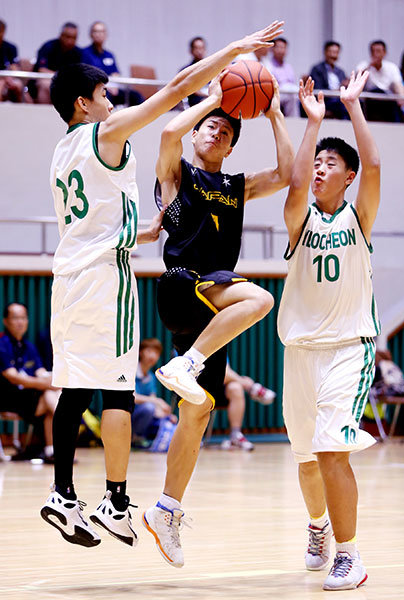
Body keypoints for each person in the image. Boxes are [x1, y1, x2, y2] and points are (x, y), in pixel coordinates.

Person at [39, 20, 285, 550]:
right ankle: (117, 500)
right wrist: (230, 57)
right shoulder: (103, 132)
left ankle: (66, 494)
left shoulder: (63, 151)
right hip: (108, 280)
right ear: (84, 103)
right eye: (104, 94)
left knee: (80, 385)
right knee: (120, 389)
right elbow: (172, 98)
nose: (112, 101)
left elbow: (96, 216)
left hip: (74, 272)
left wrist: (139, 230)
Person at [144, 50, 293, 567]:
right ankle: (184, 363)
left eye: (226, 132)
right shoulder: (177, 171)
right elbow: (165, 135)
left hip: (212, 308)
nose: (217, 134)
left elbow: (289, 172)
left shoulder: (237, 186)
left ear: (232, 146)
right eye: (210, 127)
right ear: (197, 131)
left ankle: (167, 509)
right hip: (185, 284)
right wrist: (213, 97)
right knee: (261, 297)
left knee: (199, 413)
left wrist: (273, 113)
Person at [277, 71, 381, 591]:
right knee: (306, 459)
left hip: (348, 347)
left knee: (332, 451)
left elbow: (375, 164)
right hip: (299, 351)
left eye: (330, 164)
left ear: (348, 177)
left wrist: (350, 105)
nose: (319, 169)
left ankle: (350, 554)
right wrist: (312, 125)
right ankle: (317, 527)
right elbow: (295, 185)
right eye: (317, 163)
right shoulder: (300, 222)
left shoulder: (359, 219)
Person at [0, 303, 60, 462]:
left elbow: (41, 372)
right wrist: (48, 384)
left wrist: (53, 381)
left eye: (23, 318)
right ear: (6, 321)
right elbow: (15, 378)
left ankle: (51, 450)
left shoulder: (29, 347)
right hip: (8, 399)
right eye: (15, 318)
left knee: (50, 395)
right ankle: (65, 423)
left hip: (29, 399)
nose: (20, 322)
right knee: (49, 394)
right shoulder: (2, 344)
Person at [81, 21, 143, 107]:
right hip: (96, 90)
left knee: (135, 96)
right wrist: (105, 86)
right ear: (91, 34)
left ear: (106, 35)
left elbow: (115, 73)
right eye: (96, 31)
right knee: (105, 97)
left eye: (102, 31)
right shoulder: (84, 53)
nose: (99, 34)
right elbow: (86, 76)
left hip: (112, 88)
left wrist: (114, 86)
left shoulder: (109, 55)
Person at [219, 363, 276, 451]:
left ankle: (235, 435)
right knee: (240, 380)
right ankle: (252, 387)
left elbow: (225, 370)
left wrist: (239, 380)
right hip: (199, 385)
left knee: (235, 388)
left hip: (217, 387)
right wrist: (244, 382)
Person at [132, 337, 176, 447]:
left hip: (146, 417)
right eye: (149, 351)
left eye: (156, 353)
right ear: (140, 352)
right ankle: (134, 437)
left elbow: (154, 402)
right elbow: (133, 397)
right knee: (149, 408)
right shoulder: (132, 372)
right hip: (131, 416)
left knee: (169, 419)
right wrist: (156, 401)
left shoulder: (151, 377)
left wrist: (166, 414)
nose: (152, 356)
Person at [31, 22, 82, 104]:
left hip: (66, 82)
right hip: (47, 79)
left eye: (74, 38)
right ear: (61, 35)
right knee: (46, 85)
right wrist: (60, 76)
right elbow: (42, 69)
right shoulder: (48, 46)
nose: (70, 41)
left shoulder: (78, 52)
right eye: (68, 37)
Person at [356, 40, 404, 122]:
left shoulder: (392, 67)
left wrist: (402, 98)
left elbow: (398, 85)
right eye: (373, 51)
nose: (375, 54)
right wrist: (369, 67)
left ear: (384, 53)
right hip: (370, 100)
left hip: (387, 100)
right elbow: (356, 82)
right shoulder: (363, 65)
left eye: (378, 51)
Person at [309, 41, 348, 119]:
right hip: (326, 100)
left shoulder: (341, 72)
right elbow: (318, 89)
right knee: (343, 105)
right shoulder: (317, 69)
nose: (333, 55)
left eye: (336, 52)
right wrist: (337, 90)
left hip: (340, 99)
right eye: (331, 52)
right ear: (325, 52)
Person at [266, 37, 296, 116]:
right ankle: (292, 120)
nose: (281, 51)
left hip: (290, 93)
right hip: (275, 94)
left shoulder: (289, 67)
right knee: (292, 96)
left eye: (283, 48)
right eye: (278, 47)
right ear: (273, 49)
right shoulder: (268, 65)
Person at [179, 36, 208, 107]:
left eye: (202, 48)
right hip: (196, 103)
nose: (199, 51)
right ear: (191, 51)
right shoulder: (186, 70)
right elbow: (190, 89)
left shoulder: (212, 68)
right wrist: (207, 95)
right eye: (197, 48)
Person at [0, 20, 24, 102]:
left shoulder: (10, 47)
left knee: (19, 85)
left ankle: (24, 109)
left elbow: (15, 67)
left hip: (9, 77)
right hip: (2, 78)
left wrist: (9, 77)